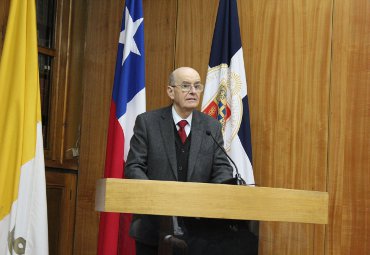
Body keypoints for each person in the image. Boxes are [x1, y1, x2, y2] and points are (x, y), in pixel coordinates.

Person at [125, 67, 234, 254]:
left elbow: (223, 170)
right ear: (170, 91)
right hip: (154, 226)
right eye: (185, 86)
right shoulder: (147, 122)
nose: (193, 91)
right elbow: (134, 166)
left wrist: (205, 201)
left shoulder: (211, 127)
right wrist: (156, 198)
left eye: (197, 86)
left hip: (199, 230)